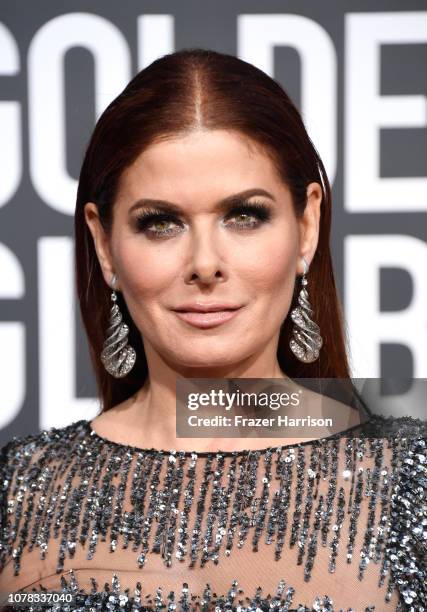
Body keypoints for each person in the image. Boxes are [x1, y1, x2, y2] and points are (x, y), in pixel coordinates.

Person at [0, 48, 425, 612]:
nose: (205, 263)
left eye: (244, 215)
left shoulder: (411, 479)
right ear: (104, 246)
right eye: (160, 222)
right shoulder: (16, 493)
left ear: (306, 226)